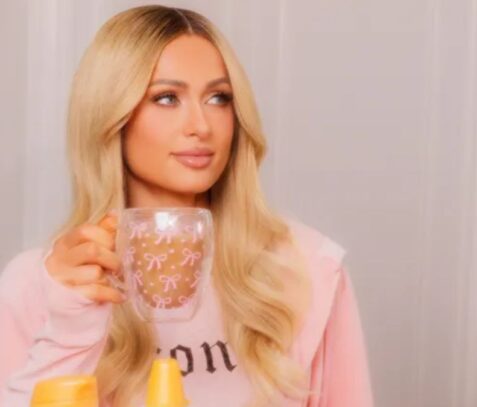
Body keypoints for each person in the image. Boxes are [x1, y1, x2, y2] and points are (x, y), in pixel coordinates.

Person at [0, 5, 373, 406]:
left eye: (218, 98)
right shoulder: (43, 283)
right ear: (111, 115)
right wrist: (70, 328)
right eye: (166, 98)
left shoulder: (306, 271)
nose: (201, 125)